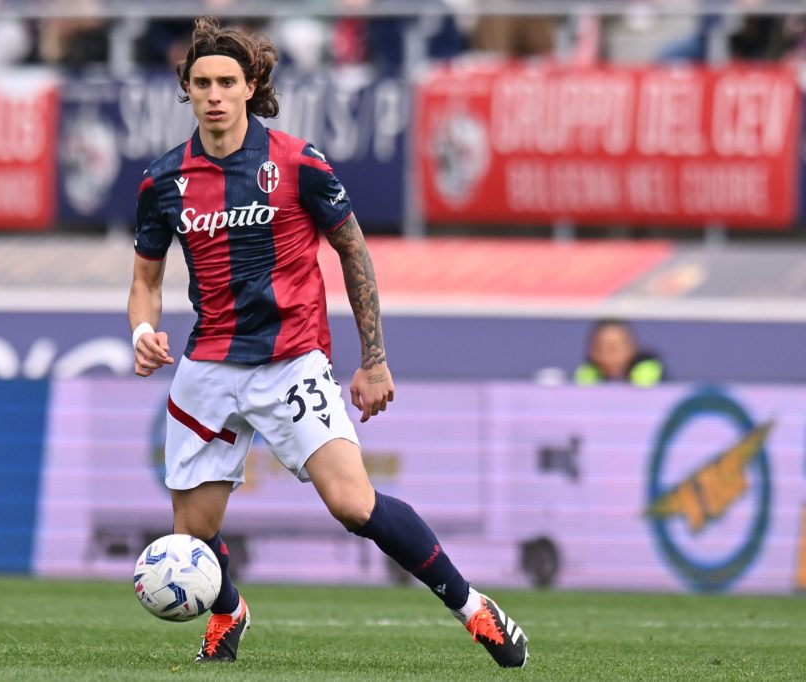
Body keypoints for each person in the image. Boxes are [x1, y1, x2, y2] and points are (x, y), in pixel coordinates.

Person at [127, 16, 528, 669]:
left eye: (228, 81)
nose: (215, 94)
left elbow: (353, 250)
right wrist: (143, 331)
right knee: (192, 536)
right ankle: (228, 609)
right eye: (201, 83)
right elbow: (144, 281)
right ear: (187, 89)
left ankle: (473, 607)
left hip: (291, 363)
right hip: (208, 366)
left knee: (353, 504)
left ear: (252, 85)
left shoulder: (296, 162)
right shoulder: (163, 181)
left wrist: (374, 358)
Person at [573, 318, 665, 386]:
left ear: (632, 348)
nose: (606, 357)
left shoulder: (654, 380)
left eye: (613, 349)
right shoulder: (586, 380)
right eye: (599, 349)